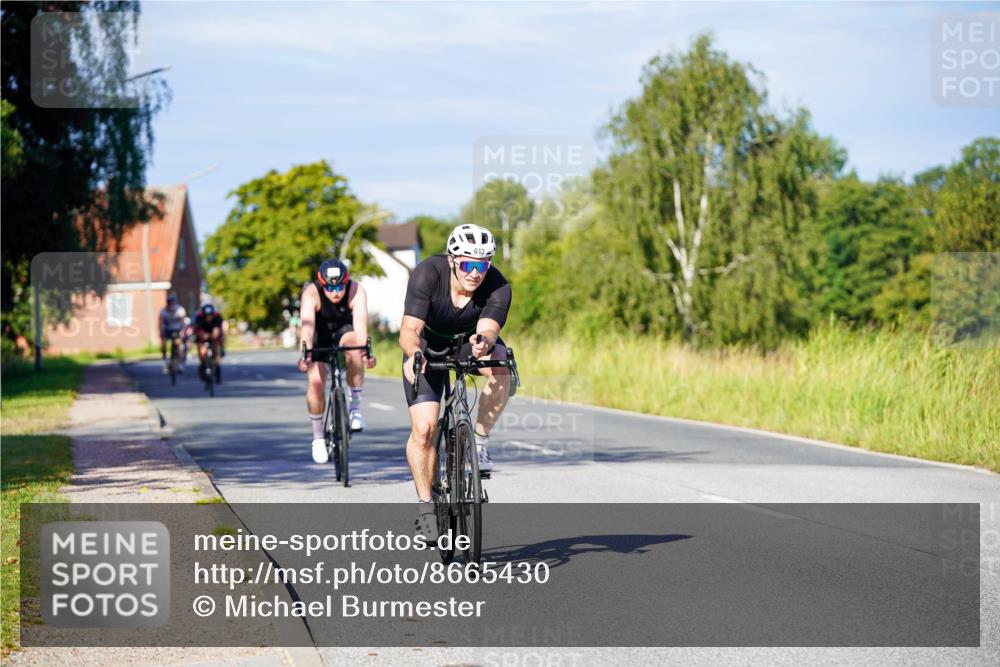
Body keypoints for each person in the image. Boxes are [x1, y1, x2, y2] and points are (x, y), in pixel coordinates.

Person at [399, 224, 512, 539]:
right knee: (424, 430)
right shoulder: (427, 274)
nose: (476, 273)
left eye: (483, 264)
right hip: (427, 348)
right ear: (452, 260)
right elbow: (409, 330)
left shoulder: (498, 285)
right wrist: (413, 355)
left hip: (469, 341)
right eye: (468, 264)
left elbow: (489, 326)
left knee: (503, 367)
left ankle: (479, 442)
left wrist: (484, 342)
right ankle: (425, 508)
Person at [297, 258, 376, 464]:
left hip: (344, 331)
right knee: (316, 382)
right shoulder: (311, 293)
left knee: (355, 349)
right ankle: (318, 438)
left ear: (346, 282)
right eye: (330, 287)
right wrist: (305, 354)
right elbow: (307, 327)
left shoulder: (356, 290)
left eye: (339, 286)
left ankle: (355, 408)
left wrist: (366, 351)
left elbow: (360, 325)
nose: (335, 292)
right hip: (319, 334)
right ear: (322, 284)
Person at [193, 302, 225, 384]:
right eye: (207, 316)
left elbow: (218, 329)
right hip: (203, 336)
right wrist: (203, 335)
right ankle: (203, 366)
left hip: (214, 335)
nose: (209, 317)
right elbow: (197, 330)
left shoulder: (217, 316)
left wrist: (215, 334)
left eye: (210, 315)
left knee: (216, 353)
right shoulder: (199, 317)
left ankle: (218, 374)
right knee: (202, 352)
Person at [158, 293, 187, 374]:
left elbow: (182, 323)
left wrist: (182, 332)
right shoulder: (163, 311)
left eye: (172, 304)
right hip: (167, 329)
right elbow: (160, 323)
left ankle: (180, 363)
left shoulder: (180, 310)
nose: (171, 306)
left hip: (177, 329)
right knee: (163, 344)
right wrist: (161, 332)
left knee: (178, 344)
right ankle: (165, 360)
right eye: (169, 304)